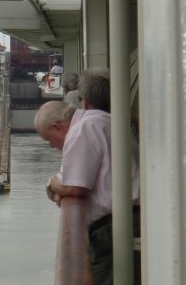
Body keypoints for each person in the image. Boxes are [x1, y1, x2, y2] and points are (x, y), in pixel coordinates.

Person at [34, 100, 140, 283]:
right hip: (128, 220)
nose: (51, 146)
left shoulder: (82, 130)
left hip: (117, 227)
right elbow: (69, 178)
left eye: (48, 138)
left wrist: (51, 184)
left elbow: (73, 187)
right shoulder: (98, 120)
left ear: (57, 127)